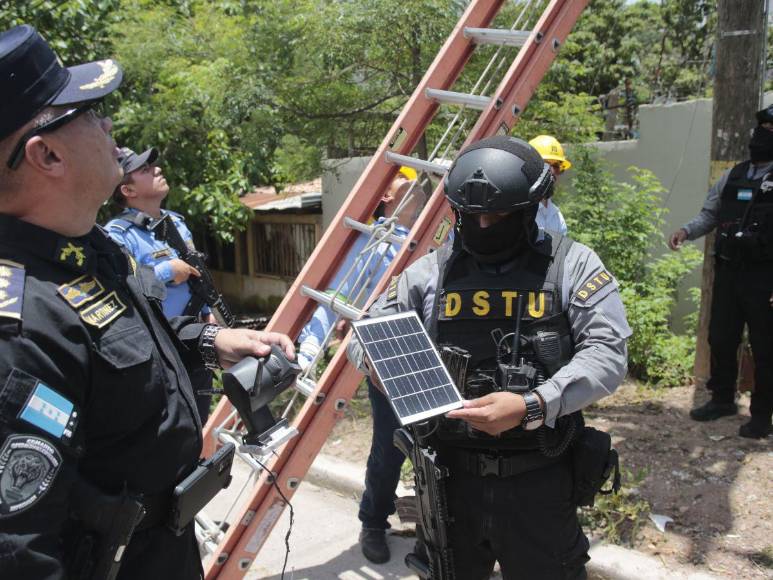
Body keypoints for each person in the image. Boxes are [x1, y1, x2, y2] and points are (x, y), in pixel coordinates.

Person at [0, 25, 294, 579]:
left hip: (163, 543)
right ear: (47, 155)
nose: (107, 124)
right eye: (85, 114)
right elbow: (19, 551)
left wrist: (212, 340)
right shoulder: (18, 324)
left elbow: (134, 336)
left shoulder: (91, 250)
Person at [348, 136, 631, 579]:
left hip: (539, 478)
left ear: (530, 208)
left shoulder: (572, 265)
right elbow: (363, 338)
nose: (483, 225)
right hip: (449, 486)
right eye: (471, 215)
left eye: (498, 215)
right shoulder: (429, 273)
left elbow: (608, 353)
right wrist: (390, 369)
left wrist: (532, 405)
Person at [297, 167, 422, 564]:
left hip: (431, 354)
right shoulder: (374, 241)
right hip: (387, 356)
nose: (419, 190)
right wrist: (310, 350)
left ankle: (432, 524)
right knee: (389, 449)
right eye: (410, 183)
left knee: (435, 450)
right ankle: (373, 522)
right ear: (388, 195)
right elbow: (335, 298)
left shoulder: (436, 235)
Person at [668, 106, 773, 439]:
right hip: (729, 274)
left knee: (765, 346)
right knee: (721, 338)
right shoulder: (734, 175)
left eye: (770, 129)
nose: (761, 135)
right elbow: (709, 214)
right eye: (761, 127)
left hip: (764, 277)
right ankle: (723, 399)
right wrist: (686, 231)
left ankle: (761, 415)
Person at [105, 146, 216, 424]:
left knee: (199, 418)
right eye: (144, 170)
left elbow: (195, 274)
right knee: (169, 425)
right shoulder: (119, 234)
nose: (157, 169)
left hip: (195, 337)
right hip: (159, 347)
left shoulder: (176, 223)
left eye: (154, 165)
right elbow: (121, 283)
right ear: (128, 191)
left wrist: (205, 311)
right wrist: (167, 270)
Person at [529, 134, 571, 235]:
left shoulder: (556, 215)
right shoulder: (517, 210)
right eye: (545, 164)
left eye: (556, 166)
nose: (551, 171)